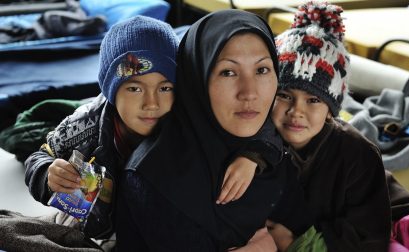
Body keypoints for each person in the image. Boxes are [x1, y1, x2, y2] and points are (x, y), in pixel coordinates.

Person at [116, 9, 286, 251]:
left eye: (261, 70)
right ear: (196, 78)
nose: (250, 93)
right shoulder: (153, 181)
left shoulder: (279, 142)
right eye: (228, 72)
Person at [24, 15, 179, 239]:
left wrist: (248, 155)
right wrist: (48, 174)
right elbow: (40, 155)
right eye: (135, 89)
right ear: (112, 93)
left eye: (165, 88)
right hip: (96, 229)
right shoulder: (85, 125)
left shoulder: (189, 121)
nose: (151, 103)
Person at [266, 2, 391, 251]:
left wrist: (295, 243)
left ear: (330, 112)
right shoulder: (256, 139)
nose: (296, 111)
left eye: (313, 100)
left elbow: (370, 236)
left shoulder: (358, 154)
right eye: (284, 95)